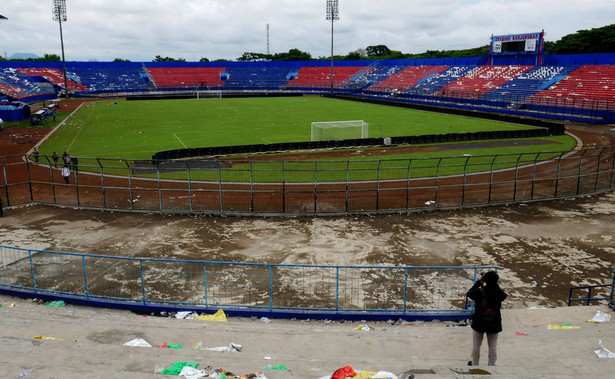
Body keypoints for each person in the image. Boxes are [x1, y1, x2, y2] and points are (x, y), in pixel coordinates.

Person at [466, 271, 507, 366]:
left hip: (479, 321)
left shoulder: (479, 292)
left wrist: (479, 282)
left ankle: (475, 364)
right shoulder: (499, 293)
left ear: (485, 280)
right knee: (492, 346)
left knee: (476, 346)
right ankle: (491, 365)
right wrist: (495, 285)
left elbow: (469, 293)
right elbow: (503, 295)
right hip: (494, 322)